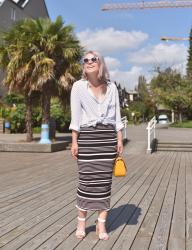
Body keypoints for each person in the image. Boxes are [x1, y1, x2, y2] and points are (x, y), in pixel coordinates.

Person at [69, 50, 124, 240]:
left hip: (107, 138)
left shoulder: (112, 87)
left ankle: (101, 226)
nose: (89, 62)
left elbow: (117, 116)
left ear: (101, 63)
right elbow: (75, 117)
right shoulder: (78, 87)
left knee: (104, 183)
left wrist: (119, 139)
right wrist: (74, 141)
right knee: (86, 182)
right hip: (87, 139)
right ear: (83, 66)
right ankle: (81, 223)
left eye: (94, 59)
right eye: (86, 60)